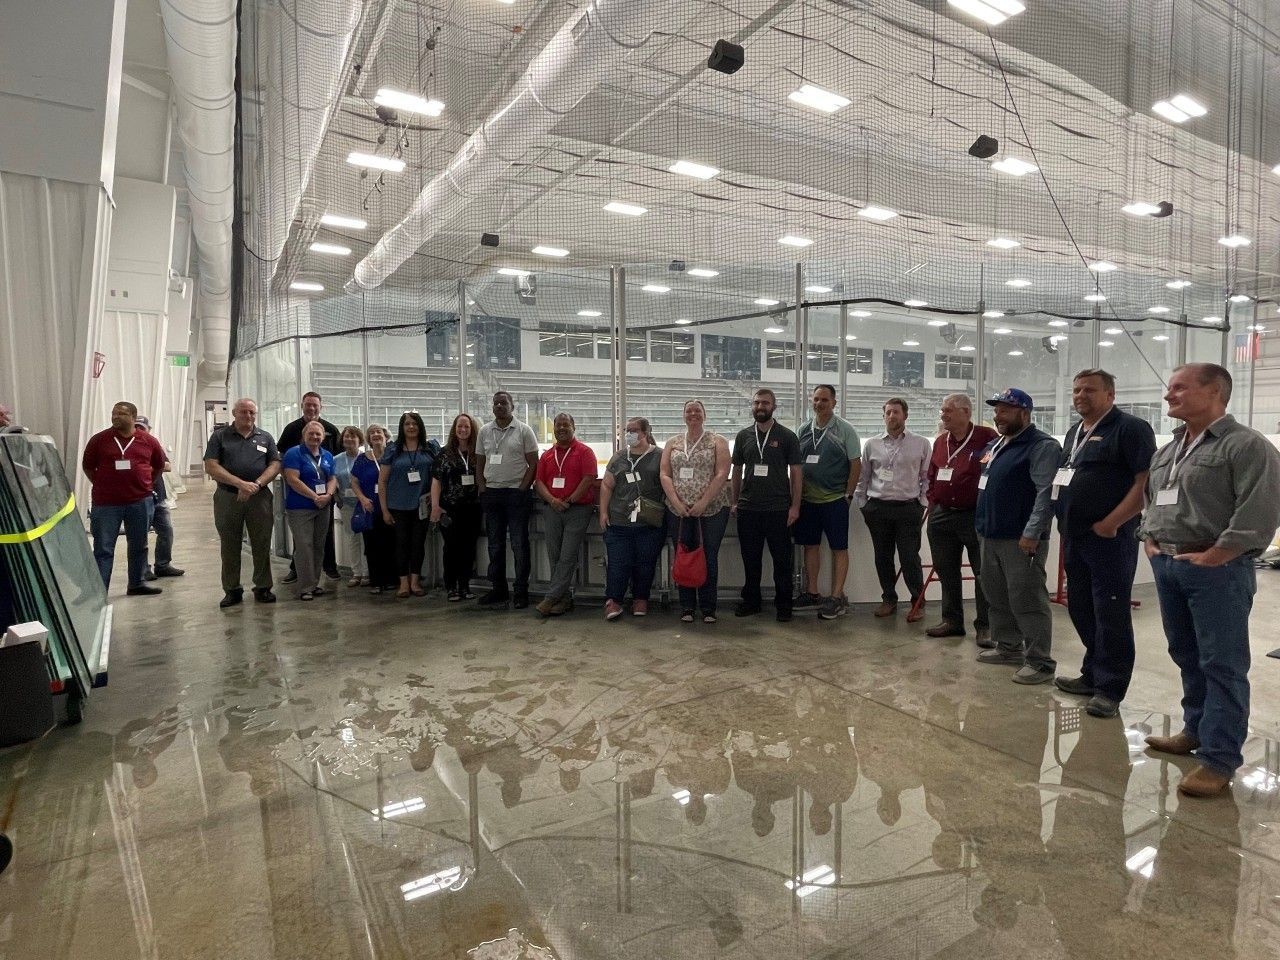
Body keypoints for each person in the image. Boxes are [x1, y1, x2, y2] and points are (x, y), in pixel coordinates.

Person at [1139, 363, 1280, 797]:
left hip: (1217, 570)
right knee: (1186, 652)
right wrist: (1149, 539)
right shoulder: (1170, 448)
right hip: (1169, 564)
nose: (1168, 396)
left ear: (1215, 392)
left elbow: (1259, 511)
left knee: (1222, 663)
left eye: (1179, 388)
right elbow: (1153, 499)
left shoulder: (1246, 446)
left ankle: (1220, 758)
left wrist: (1218, 556)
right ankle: (1195, 728)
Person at [1052, 369, 1157, 718]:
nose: (1081, 395)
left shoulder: (1130, 429)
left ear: (1110, 395)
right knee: (1081, 608)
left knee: (1110, 612)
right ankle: (1091, 673)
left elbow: (1145, 482)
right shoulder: (1074, 432)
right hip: (1076, 536)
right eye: (1077, 390)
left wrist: (1113, 523)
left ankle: (1110, 689)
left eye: (1090, 390)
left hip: (1109, 539)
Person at [973, 388, 1062, 684]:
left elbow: (1046, 493)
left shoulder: (1041, 446)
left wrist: (1032, 531)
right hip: (990, 534)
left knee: (1027, 599)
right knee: (996, 595)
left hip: (1020, 538)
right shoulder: (998, 443)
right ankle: (1008, 647)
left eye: (1006, 410)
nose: (998, 416)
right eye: (997, 410)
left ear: (1025, 413)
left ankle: (1039, 661)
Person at [924, 394, 997, 644]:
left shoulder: (987, 437)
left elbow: (994, 471)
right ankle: (952, 621)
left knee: (982, 573)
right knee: (947, 571)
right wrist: (933, 502)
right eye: (942, 411)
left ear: (966, 412)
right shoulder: (940, 441)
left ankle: (985, 626)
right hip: (943, 515)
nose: (943, 415)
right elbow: (932, 474)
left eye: (948, 411)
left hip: (974, 515)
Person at [854, 398, 931, 621]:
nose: (891, 416)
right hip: (878, 509)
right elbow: (863, 477)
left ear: (905, 416)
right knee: (883, 557)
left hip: (908, 509)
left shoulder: (921, 443)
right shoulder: (872, 444)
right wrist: (863, 503)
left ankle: (918, 601)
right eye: (888, 412)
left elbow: (926, 477)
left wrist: (922, 503)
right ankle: (889, 599)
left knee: (909, 557)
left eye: (896, 412)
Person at [82, 401, 168, 596]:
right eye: (113, 413)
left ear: (132, 417)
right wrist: (102, 483)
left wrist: (144, 485)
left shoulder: (148, 441)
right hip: (106, 504)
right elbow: (88, 466)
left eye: (121, 414)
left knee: (139, 544)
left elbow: (159, 466)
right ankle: (99, 591)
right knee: (103, 548)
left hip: (139, 501)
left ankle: (136, 583)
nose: (115, 417)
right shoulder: (99, 440)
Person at [731, 388, 802, 622]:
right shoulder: (743, 436)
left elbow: (797, 472)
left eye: (765, 403)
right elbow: (737, 470)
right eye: (756, 403)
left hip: (779, 509)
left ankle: (784, 604)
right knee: (750, 560)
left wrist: (795, 506)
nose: (760, 406)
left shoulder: (787, 436)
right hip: (748, 509)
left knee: (782, 561)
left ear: (774, 406)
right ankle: (752, 601)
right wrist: (735, 501)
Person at [203, 398, 282, 607]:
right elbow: (211, 466)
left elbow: (275, 464)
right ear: (234, 413)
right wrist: (240, 484)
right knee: (230, 545)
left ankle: (263, 587)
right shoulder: (220, 436)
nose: (248, 416)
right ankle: (232, 590)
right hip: (228, 497)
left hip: (260, 497)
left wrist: (255, 484)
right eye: (244, 412)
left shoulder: (265, 437)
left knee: (262, 543)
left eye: (252, 413)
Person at [659, 399, 732, 624]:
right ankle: (687, 606)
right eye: (689, 410)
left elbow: (722, 473)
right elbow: (664, 474)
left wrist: (703, 502)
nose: (693, 414)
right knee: (683, 555)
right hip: (678, 510)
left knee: (708, 556)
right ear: (683, 415)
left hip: (712, 510)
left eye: (697, 410)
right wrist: (677, 502)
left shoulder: (717, 441)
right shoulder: (673, 442)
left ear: (704, 414)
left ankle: (708, 607)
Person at [793, 385, 862, 620]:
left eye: (824, 399)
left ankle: (836, 596)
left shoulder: (845, 430)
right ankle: (812, 592)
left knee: (838, 548)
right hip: (808, 501)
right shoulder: (803, 430)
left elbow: (855, 464)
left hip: (835, 500)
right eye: (815, 399)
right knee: (810, 546)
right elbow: (796, 465)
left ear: (833, 403)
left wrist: (848, 495)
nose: (819, 403)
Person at [475, 391, 539, 608]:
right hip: (492, 494)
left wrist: (522, 489)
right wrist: (482, 487)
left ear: (512, 406)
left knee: (520, 545)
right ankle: (498, 590)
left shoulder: (524, 430)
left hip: (516, 494)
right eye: (496, 403)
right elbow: (479, 463)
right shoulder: (484, 431)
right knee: (495, 545)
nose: (499, 406)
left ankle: (521, 592)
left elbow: (534, 463)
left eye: (504, 403)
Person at [599, 417, 665, 620]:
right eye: (627, 430)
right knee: (618, 563)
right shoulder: (619, 457)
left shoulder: (660, 456)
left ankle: (641, 598)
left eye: (633, 430)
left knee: (645, 563)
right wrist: (603, 512)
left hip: (648, 522)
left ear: (645, 432)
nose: (629, 434)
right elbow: (607, 485)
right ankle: (614, 601)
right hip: (620, 521)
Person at [533, 412, 598, 617]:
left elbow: (588, 479)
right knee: (554, 554)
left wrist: (569, 500)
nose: (562, 428)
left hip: (577, 509)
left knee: (567, 555)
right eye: (558, 425)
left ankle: (551, 597)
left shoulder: (585, 452)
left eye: (566, 425)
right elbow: (539, 483)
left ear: (574, 426)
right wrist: (553, 501)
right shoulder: (547, 455)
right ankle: (564, 599)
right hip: (552, 509)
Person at [278, 391, 341, 584]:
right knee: (302, 539)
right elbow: (281, 457)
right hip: (300, 495)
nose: (311, 408)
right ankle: (297, 571)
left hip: (324, 495)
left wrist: (329, 493)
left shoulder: (331, 429)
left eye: (315, 405)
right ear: (302, 405)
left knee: (325, 534)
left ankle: (328, 567)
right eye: (308, 405)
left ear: (321, 407)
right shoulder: (291, 429)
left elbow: (336, 461)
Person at [378, 411, 437, 599]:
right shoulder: (393, 450)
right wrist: (384, 509)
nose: (411, 427)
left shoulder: (430, 448)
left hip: (421, 506)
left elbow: (438, 477)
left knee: (418, 545)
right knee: (401, 545)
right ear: (402, 428)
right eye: (407, 424)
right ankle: (403, 583)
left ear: (420, 426)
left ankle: (415, 581)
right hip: (398, 506)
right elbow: (383, 481)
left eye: (415, 423)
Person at [431, 413, 483, 601]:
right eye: (459, 426)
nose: (463, 430)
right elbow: (436, 481)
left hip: (473, 508)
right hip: (449, 509)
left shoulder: (478, 452)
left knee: (469, 548)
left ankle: (465, 585)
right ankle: (451, 586)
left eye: (466, 427)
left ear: (472, 429)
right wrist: (435, 506)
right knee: (451, 547)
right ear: (454, 429)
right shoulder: (445, 453)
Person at [282, 421, 337, 600]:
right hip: (300, 507)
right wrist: (315, 496)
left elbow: (332, 478)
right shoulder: (294, 453)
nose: (315, 437)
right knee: (304, 546)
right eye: (311, 434)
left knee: (319, 545)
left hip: (323, 506)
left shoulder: (327, 455)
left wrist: (328, 495)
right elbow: (292, 479)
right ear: (304, 436)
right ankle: (305, 587)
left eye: (318, 434)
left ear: (323, 437)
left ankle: (314, 584)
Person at [349, 423, 397, 595]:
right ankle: (376, 581)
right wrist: (362, 498)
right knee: (372, 546)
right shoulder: (363, 459)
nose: (375, 435)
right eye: (372, 433)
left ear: (386, 436)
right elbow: (353, 481)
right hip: (370, 507)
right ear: (368, 439)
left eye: (379, 432)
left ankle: (391, 580)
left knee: (391, 544)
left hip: (391, 507)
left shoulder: (393, 456)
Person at [135, 416, 184, 580]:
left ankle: (163, 565)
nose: (140, 430)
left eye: (142, 427)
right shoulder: (128, 446)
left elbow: (167, 465)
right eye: (136, 427)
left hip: (158, 496)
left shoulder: (152, 444)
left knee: (166, 530)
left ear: (148, 428)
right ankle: (143, 569)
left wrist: (144, 467)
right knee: (140, 535)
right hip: (139, 498)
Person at [333, 426, 369, 587]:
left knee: (366, 539)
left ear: (360, 440)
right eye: (346, 436)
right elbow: (331, 481)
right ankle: (357, 573)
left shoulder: (366, 457)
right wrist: (336, 498)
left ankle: (368, 572)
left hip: (365, 503)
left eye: (353, 436)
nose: (349, 439)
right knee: (353, 538)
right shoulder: (336, 459)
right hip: (347, 505)